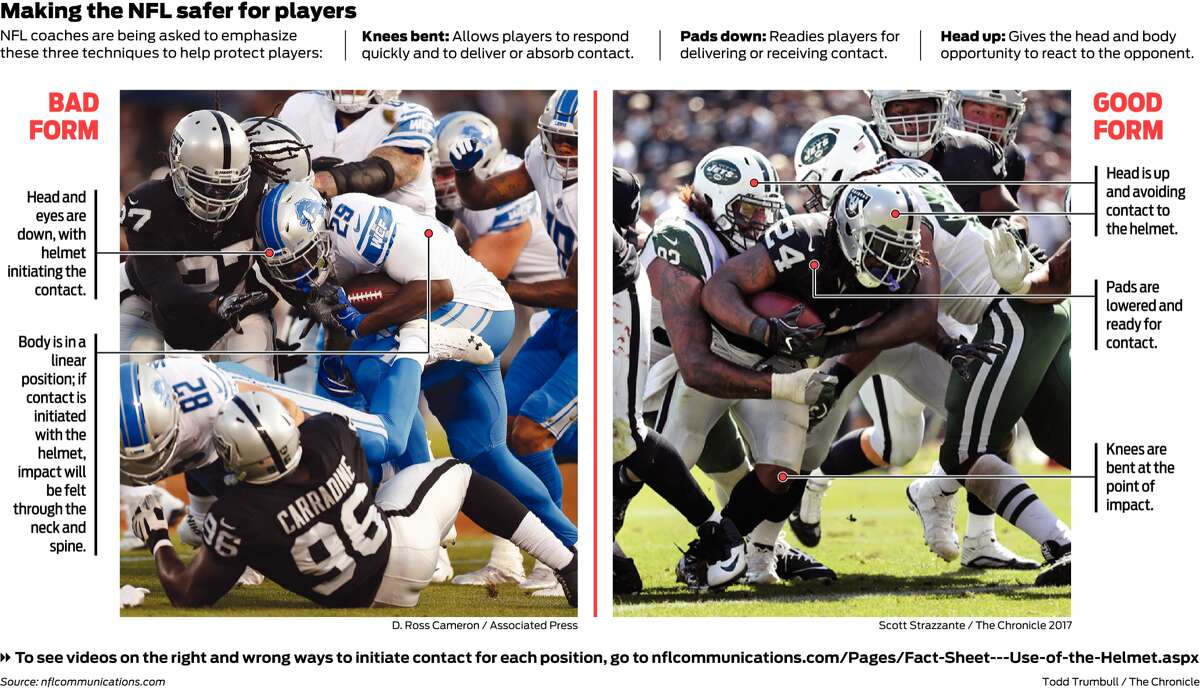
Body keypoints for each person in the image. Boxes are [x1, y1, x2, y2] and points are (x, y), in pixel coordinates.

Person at [131, 392, 578, 608]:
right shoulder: (327, 437)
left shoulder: (238, 515)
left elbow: (188, 592)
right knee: (459, 474)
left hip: (351, 596)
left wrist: (156, 539)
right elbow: (299, 414)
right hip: (403, 550)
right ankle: (569, 563)